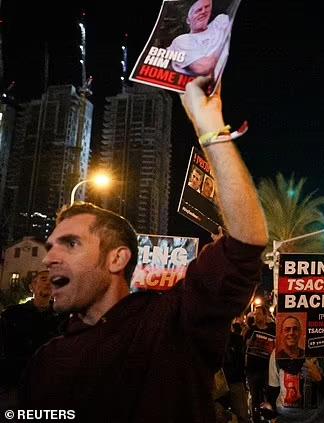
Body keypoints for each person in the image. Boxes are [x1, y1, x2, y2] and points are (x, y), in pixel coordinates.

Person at [19, 76, 269, 422]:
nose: (49, 259)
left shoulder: (172, 323)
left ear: (117, 258)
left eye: (71, 243)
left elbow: (245, 243)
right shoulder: (47, 360)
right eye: (50, 247)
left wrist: (210, 127)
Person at [0, 269, 64, 408]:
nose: (48, 283)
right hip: (15, 383)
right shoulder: (12, 314)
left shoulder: (62, 317)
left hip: (48, 384)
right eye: (43, 279)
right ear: (32, 287)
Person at [265, 353, 324, 423]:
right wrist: (272, 416)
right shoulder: (278, 353)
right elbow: (273, 391)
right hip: (284, 419)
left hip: (319, 420)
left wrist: (320, 379)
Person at [169, 0, 231, 78]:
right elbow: (204, 67)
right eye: (198, 10)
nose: (203, 11)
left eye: (207, 7)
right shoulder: (181, 41)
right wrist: (222, 39)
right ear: (188, 20)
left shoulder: (220, 21)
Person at [244, 304, 276, 421]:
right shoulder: (251, 330)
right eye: (255, 314)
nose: (256, 316)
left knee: (269, 394)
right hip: (253, 370)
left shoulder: (272, 329)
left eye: (259, 314)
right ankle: (256, 418)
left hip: (267, 369)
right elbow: (245, 346)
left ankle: (269, 417)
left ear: (265, 315)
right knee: (255, 396)